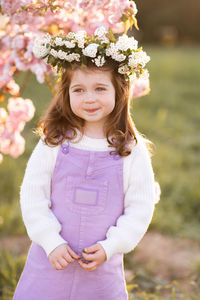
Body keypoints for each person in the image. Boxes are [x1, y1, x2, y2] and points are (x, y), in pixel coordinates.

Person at [13, 26, 159, 300]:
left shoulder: (131, 150)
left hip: (101, 269)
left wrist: (112, 245)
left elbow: (140, 207)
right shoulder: (54, 143)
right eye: (79, 90)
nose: (89, 98)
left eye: (100, 88)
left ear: (120, 90)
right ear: (66, 94)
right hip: (50, 262)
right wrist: (50, 240)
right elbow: (33, 196)